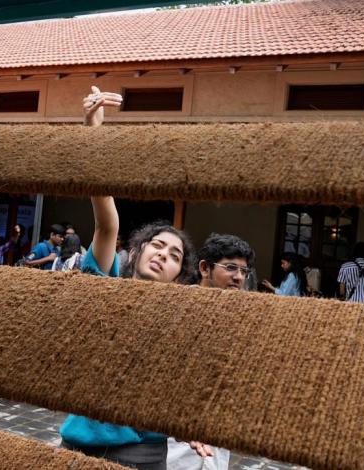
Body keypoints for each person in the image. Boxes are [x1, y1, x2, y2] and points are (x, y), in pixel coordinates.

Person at [59, 86, 206, 470]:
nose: (163, 254)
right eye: (157, 245)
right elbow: (108, 223)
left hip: (141, 455)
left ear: (179, 276)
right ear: (137, 251)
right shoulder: (105, 288)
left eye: (175, 256)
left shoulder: (177, 322)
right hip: (77, 446)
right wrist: (94, 134)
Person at [166, 234, 256, 470]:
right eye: (230, 268)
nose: (238, 277)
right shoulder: (177, 308)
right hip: (176, 436)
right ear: (205, 268)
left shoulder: (243, 318)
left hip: (216, 435)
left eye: (244, 271)